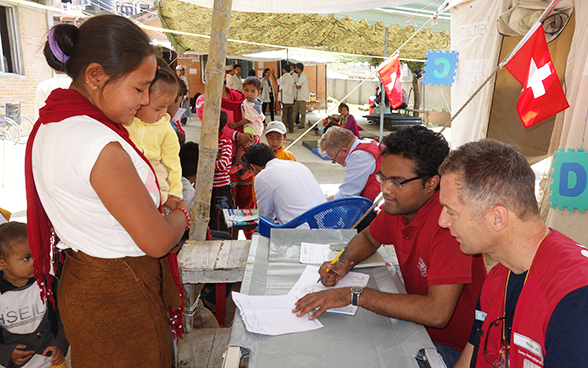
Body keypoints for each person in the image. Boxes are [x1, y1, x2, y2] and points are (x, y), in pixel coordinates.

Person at [26, 15, 189, 367]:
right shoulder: (98, 143)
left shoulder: (51, 123)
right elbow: (158, 241)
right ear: (96, 76)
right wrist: (181, 214)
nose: (145, 99)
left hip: (86, 282)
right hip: (120, 293)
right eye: (139, 87)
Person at [294, 126, 487, 367]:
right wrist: (344, 263)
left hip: (451, 348)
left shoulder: (450, 224)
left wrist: (352, 294)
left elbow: (437, 313)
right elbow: (367, 238)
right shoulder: (399, 207)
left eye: (397, 182)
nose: (385, 189)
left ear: (431, 183)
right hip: (416, 330)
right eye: (383, 178)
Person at [438, 139, 588, 368]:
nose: (442, 221)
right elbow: (472, 358)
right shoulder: (499, 276)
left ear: (497, 218)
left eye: (451, 211)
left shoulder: (575, 297)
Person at [0, 222, 69, 368]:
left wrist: (60, 344)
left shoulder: (49, 283)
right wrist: (5, 353)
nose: (35, 262)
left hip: (51, 362)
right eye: (26, 258)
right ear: (2, 264)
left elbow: (64, 317)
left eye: (38, 254)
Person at [125, 57, 183, 208]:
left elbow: (173, 163)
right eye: (158, 109)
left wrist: (175, 192)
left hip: (156, 181)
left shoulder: (166, 129)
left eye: (166, 107)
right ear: (141, 99)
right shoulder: (124, 121)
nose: (163, 113)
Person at [244, 143, 325, 225]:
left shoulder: (262, 176)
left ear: (253, 167)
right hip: (328, 225)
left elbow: (265, 217)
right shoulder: (298, 165)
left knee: (260, 230)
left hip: (302, 232)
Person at [318, 126, 382, 202]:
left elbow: (345, 196)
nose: (336, 162)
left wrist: (318, 204)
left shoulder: (359, 156)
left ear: (344, 151)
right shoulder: (367, 142)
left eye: (334, 159)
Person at [229, 76, 265, 166]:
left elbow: (247, 119)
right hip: (252, 126)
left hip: (253, 128)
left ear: (258, 93)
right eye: (246, 90)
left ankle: (237, 164)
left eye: (253, 91)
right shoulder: (249, 101)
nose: (249, 93)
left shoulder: (252, 104)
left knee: (241, 141)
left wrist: (236, 124)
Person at [210, 110, 235, 232]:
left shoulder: (225, 142)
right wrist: (215, 160)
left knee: (225, 219)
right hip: (210, 188)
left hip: (222, 188)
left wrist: (208, 163)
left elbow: (223, 164)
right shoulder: (208, 142)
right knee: (211, 218)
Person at [277, 63, 296, 133]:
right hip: (291, 98)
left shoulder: (283, 77)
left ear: (284, 70)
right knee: (290, 115)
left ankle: (284, 129)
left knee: (284, 115)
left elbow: (277, 82)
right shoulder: (292, 77)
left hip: (284, 98)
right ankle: (291, 129)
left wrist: (273, 76)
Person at [292, 63, 309, 129]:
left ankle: (302, 124)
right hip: (298, 96)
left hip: (302, 96)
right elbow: (297, 86)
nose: (295, 69)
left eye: (296, 68)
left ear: (299, 68)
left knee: (302, 111)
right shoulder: (298, 75)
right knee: (295, 110)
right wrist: (296, 85)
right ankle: (292, 123)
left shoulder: (303, 76)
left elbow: (297, 85)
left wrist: (296, 85)